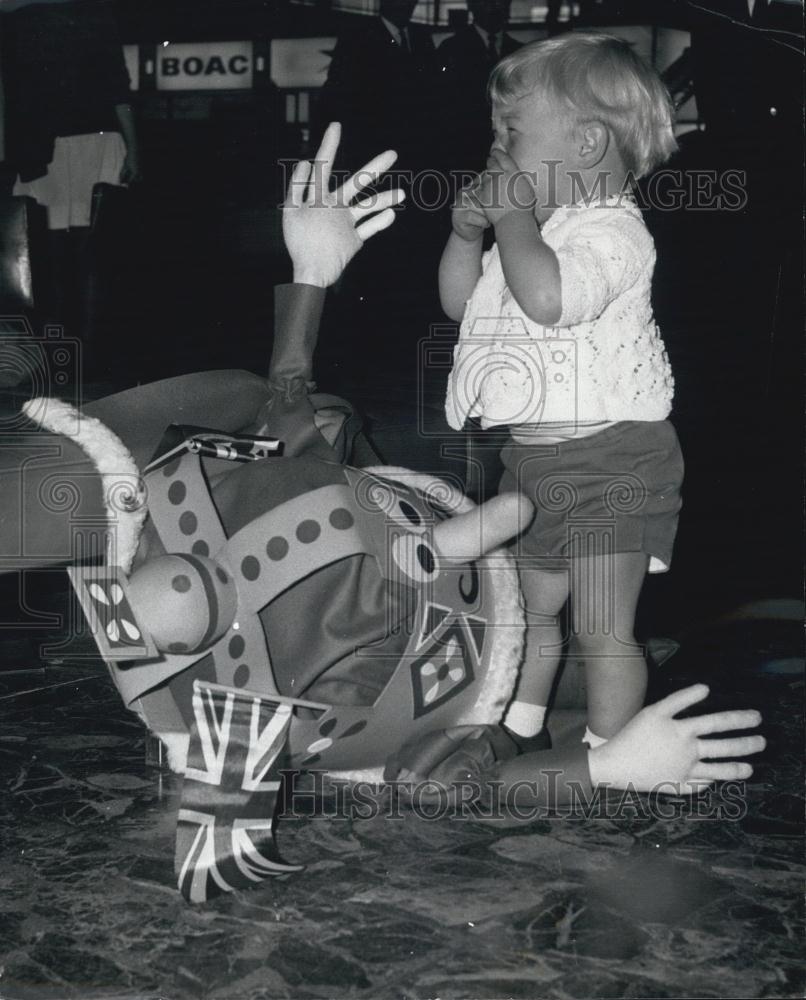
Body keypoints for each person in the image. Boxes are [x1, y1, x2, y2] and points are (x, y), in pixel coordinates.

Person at [439, 34, 683, 752]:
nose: (496, 146)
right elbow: (464, 306)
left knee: (603, 624)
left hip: (615, 461)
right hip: (535, 464)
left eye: (512, 131)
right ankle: (519, 727)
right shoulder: (535, 234)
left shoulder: (615, 234)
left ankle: (613, 757)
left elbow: (549, 299)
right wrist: (463, 237)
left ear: (584, 144)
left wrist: (512, 218)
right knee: (531, 612)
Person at [2, 0, 139, 366]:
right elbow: (119, 89)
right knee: (84, 251)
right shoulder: (91, 15)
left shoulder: (21, 19)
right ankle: (85, 346)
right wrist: (134, 149)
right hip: (87, 140)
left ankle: (68, 345)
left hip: (46, 143)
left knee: (54, 251)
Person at [437, 0, 522, 179]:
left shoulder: (521, 53)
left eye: (500, 2)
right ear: (472, 5)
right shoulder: (450, 49)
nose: (495, 6)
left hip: (510, 154)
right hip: (461, 155)